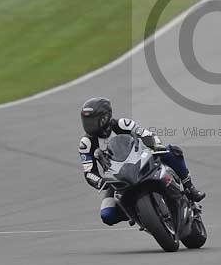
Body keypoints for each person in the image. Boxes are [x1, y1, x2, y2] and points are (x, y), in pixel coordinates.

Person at [78, 97, 205, 226]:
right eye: (86, 121)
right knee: (107, 215)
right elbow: (89, 171)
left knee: (172, 151)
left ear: (105, 117)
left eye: (92, 121)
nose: (89, 125)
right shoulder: (86, 143)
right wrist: (100, 182)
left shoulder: (122, 124)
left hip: (141, 160)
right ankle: (136, 214)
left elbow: (145, 133)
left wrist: (155, 145)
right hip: (117, 178)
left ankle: (190, 188)